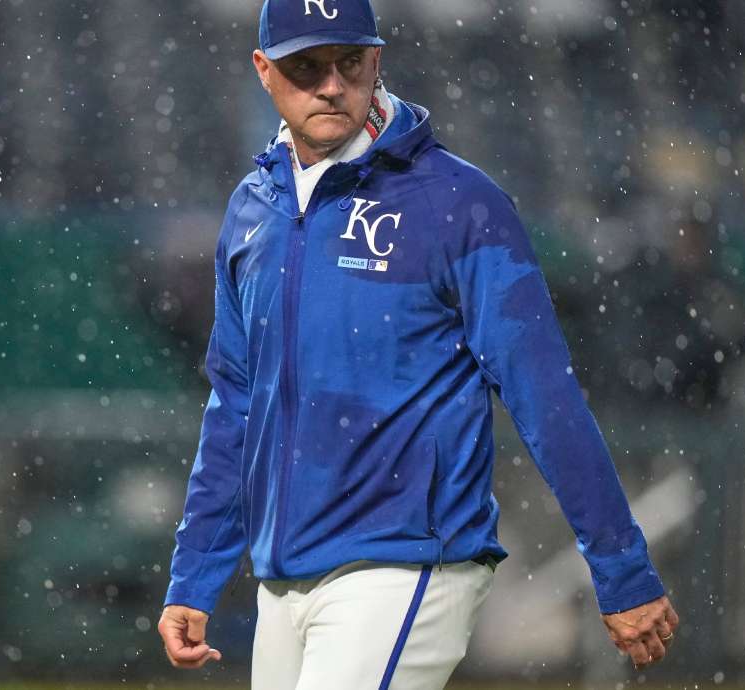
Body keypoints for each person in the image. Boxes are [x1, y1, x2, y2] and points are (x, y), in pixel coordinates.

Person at [157, 1, 679, 686]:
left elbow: (544, 393)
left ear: (377, 60)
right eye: (306, 66)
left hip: (407, 561)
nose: (331, 85)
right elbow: (236, 405)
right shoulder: (254, 206)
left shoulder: (457, 202)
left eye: (349, 62)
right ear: (264, 69)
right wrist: (196, 572)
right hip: (284, 575)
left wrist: (620, 565)